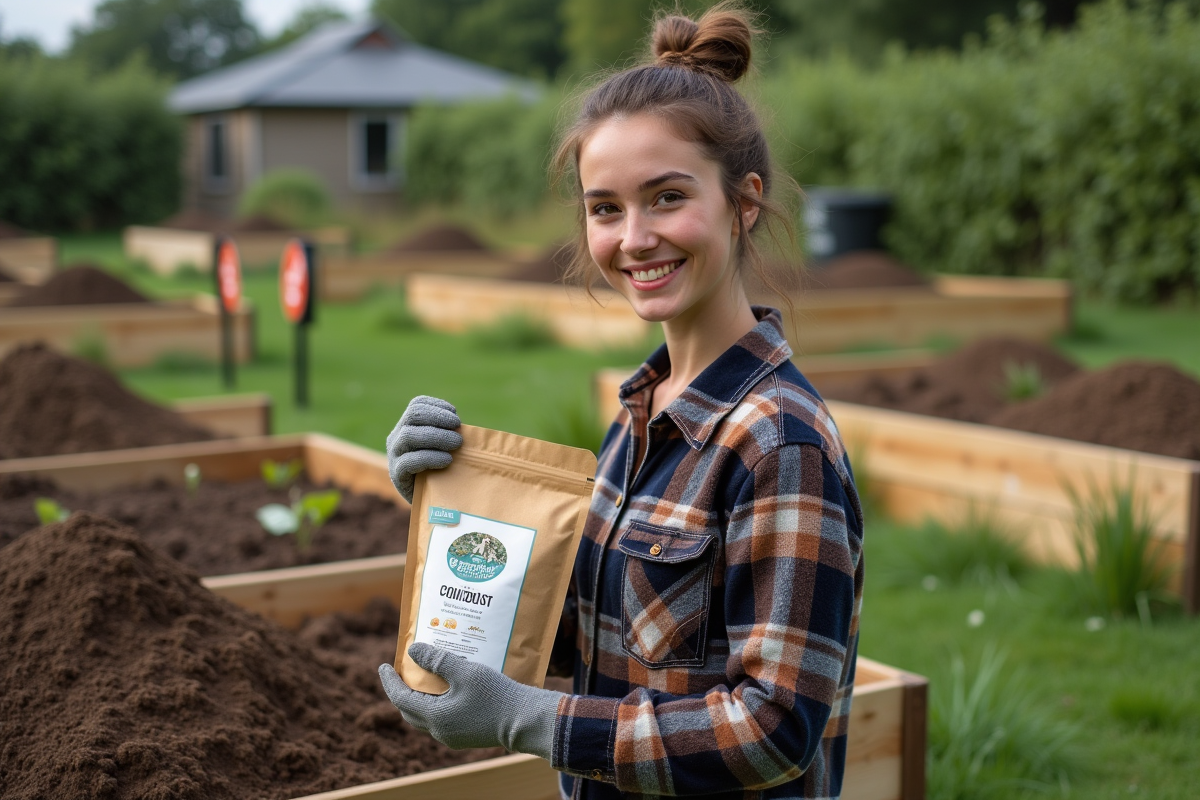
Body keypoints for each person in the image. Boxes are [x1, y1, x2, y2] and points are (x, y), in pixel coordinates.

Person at [377, 4, 865, 798]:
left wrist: (532, 723)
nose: (633, 238)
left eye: (666, 197)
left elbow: (775, 730)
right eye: (605, 208)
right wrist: (448, 507)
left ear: (745, 202)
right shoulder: (642, 415)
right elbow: (601, 641)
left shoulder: (778, 444)